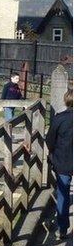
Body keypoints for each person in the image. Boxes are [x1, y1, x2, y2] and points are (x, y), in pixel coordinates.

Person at [45, 90, 72, 236]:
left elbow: (49, 140)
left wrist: (53, 153)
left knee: (63, 194)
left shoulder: (59, 119)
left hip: (63, 160)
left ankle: (62, 228)